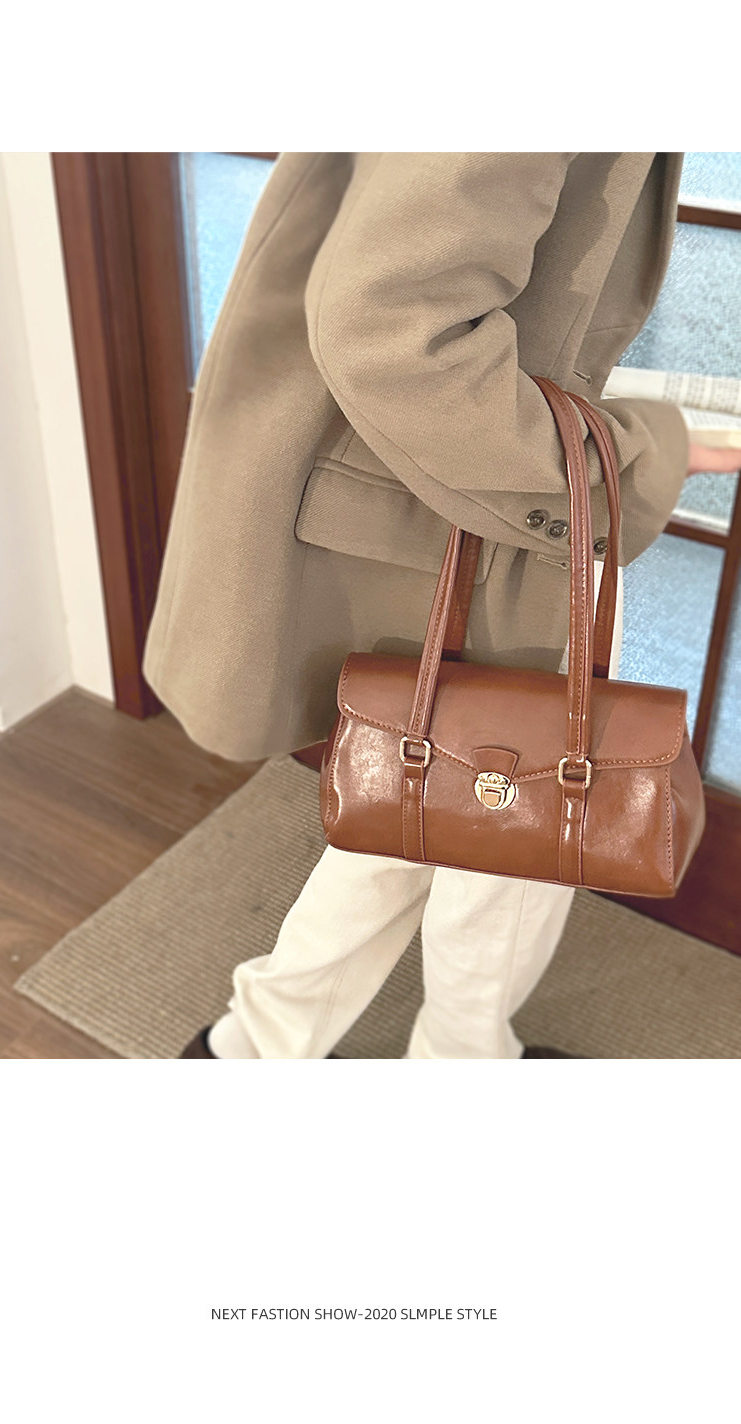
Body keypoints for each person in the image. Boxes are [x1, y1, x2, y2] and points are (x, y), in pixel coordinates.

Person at [142, 153, 741, 1059]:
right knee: (512, 807)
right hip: (483, 482)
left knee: (418, 789)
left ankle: (260, 1049)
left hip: (455, 482)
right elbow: (395, 329)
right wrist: (632, 459)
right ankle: (443, 1060)